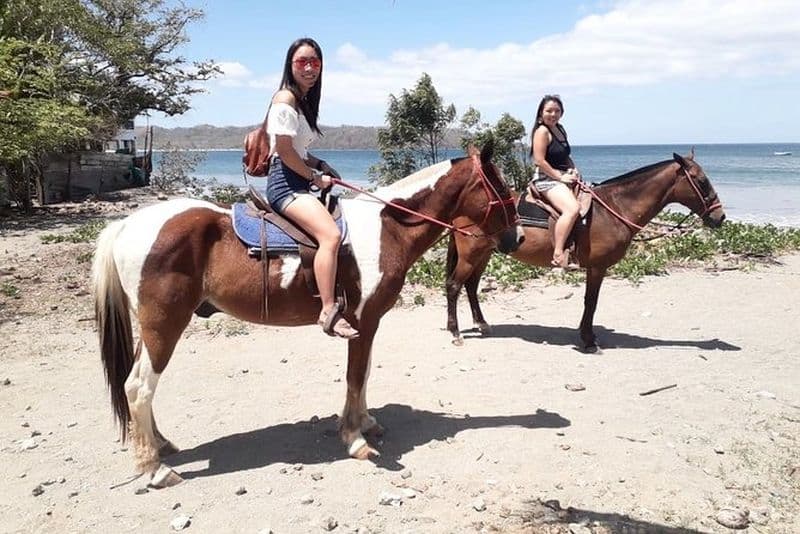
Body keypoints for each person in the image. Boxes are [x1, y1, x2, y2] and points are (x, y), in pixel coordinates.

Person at [265, 37, 358, 339]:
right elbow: (284, 150)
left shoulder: (301, 102)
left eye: (314, 62)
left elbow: (299, 149)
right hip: (285, 185)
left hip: (297, 178)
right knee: (330, 235)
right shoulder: (285, 100)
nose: (308, 68)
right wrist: (315, 179)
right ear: (290, 65)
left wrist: (320, 164)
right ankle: (328, 310)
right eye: (301, 62)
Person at [529, 94, 581, 269]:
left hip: (564, 176)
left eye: (557, 111)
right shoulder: (542, 131)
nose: (553, 114)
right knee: (572, 209)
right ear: (541, 113)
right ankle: (559, 253)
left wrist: (573, 169)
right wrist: (560, 177)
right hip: (547, 179)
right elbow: (539, 161)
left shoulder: (560, 129)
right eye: (549, 111)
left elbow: (565, 155)